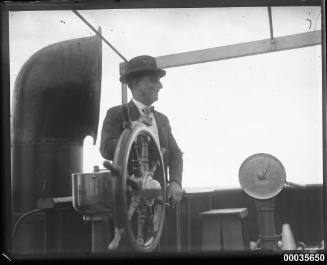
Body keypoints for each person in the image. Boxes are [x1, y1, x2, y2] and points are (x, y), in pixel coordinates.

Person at [100, 55, 183, 204]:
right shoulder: (116, 114)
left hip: (161, 204)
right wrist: (133, 132)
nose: (160, 85)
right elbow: (106, 149)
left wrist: (175, 181)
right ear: (136, 84)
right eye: (153, 80)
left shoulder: (163, 120)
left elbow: (175, 153)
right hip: (130, 202)